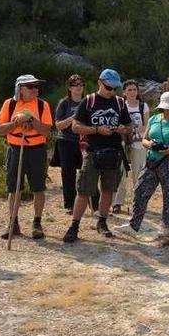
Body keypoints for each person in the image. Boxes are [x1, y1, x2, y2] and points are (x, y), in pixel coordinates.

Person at [63, 69, 133, 243]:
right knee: (84, 190)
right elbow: (75, 127)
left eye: (115, 88)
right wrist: (96, 130)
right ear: (100, 83)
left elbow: (129, 126)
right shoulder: (89, 101)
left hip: (114, 153)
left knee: (108, 190)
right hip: (93, 153)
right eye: (109, 87)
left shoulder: (120, 103)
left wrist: (124, 129)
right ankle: (74, 226)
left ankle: (102, 222)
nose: (112, 91)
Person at [0, 74, 53, 240]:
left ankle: (37, 223)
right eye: (31, 86)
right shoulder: (10, 104)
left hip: (36, 149)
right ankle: (13, 222)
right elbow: (1, 130)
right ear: (20, 89)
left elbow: (47, 131)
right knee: (14, 188)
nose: (36, 89)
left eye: (37, 86)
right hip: (15, 148)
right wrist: (16, 123)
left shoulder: (42, 105)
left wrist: (31, 120)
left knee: (38, 188)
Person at [124, 92, 169, 246]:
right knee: (140, 189)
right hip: (152, 160)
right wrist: (151, 145)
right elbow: (144, 139)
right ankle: (134, 225)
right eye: (167, 108)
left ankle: (166, 227)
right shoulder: (153, 119)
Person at [54, 74, 93, 214]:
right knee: (68, 173)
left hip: (85, 141)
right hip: (66, 141)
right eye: (76, 85)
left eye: (82, 84)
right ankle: (70, 205)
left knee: (90, 172)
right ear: (70, 87)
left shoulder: (88, 102)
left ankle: (95, 204)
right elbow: (58, 125)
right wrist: (74, 117)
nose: (80, 87)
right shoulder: (64, 103)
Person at [113, 79, 149, 214]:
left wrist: (132, 130)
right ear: (124, 92)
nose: (132, 92)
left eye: (134, 89)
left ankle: (138, 203)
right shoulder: (120, 106)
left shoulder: (143, 106)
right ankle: (117, 202)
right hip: (122, 142)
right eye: (129, 90)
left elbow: (146, 126)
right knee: (120, 172)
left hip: (139, 143)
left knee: (138, 173)